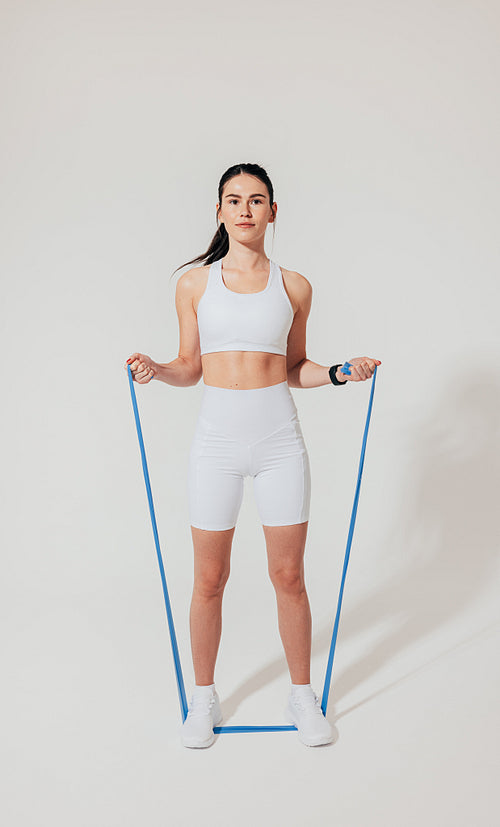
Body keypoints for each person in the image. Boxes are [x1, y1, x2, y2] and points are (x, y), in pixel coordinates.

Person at [124, 162, 381, 749]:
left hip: (278, 443)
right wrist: (156, 371)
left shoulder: (294, 287)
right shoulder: (194, 285)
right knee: (209, 578)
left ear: (272, 212)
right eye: (233, 199)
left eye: (256, 200)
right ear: (219, 211)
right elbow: (190, 365)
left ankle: (302, 694)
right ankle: (203, 698)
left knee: (288, 575)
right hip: (215, 444)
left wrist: (343, 371)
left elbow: (294, 369)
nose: (245, 209)